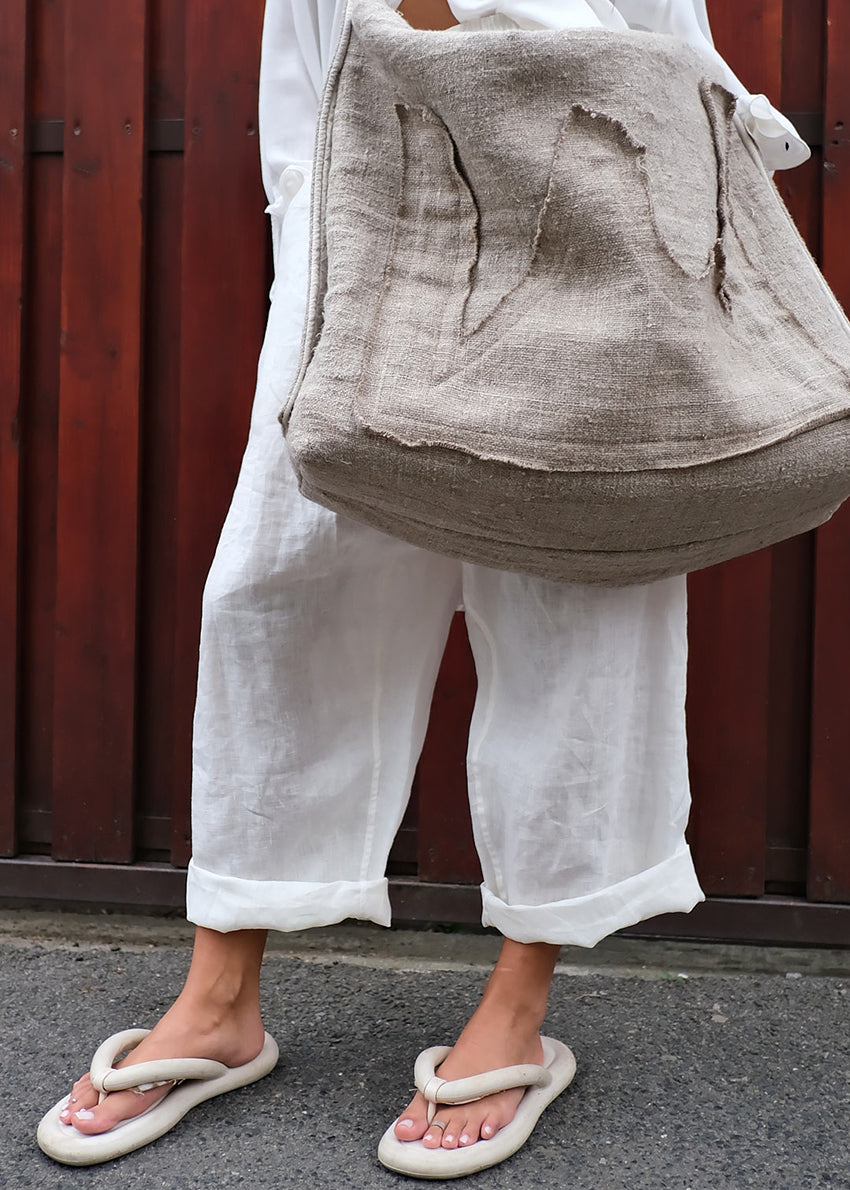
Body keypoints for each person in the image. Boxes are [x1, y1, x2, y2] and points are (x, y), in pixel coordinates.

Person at [38, 0, 808, 1176]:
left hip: (600, 259)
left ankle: (517, 1003)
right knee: (280, 592)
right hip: (370, 237)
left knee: (578, 614)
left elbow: (663, 64)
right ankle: (220, 993)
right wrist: (313, 304)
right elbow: (306, 101)